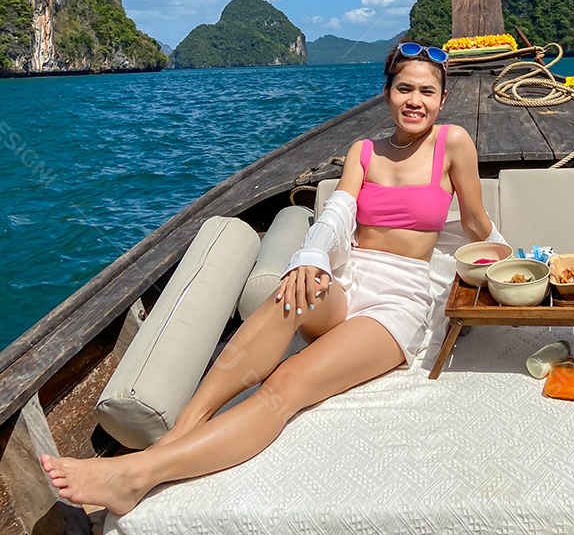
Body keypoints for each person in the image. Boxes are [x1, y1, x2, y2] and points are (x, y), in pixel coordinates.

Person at [41, 42, 506, 516]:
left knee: (286, 381)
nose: (415, 100)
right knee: (289, 292)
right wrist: (310, 256)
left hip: (398, 299)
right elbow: (340, 210)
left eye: (427, 91)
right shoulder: (364, 151)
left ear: (442, 99)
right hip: (350, 279)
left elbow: (474, 222)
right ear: (386, 93)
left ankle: (138, 474)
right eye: (404, 88)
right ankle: (177, 436)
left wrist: (514, 259)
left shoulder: (452, 144)